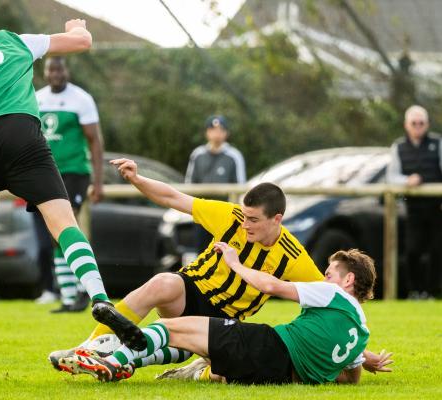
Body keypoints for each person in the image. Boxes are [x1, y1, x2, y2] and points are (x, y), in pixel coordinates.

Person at [0, 12, 145, 381]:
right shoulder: (13, 39)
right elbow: (81, 43)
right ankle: (100, 299)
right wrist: (78, 27)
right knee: (64, 225)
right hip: (22, 134)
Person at [48, 158, 324, 369]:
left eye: (253, 220)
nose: (245, 224)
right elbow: (174, 198)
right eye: (244, 216)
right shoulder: (230, 216)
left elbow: (329, 297)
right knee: (162, 282)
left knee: (182, 349)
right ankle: (89, 348)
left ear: (277, 219)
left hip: (224, 319)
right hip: (190, 289)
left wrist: (357, 354)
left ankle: (123, 360)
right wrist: (137, 179)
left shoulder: (292, 255)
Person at [57, 247, 394, 385]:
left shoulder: (334, 294)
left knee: (169, 327)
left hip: (267, 344)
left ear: (348, 281)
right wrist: (365, 360)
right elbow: (349, 380)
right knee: (193, 348)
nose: (324, 278)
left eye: (330, 273)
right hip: (272, 376)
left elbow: (274, 287)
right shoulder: (359, 333)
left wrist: (235, 263)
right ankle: (129, 355)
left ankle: (116, 359)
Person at [32, 56, 105, 312]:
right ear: (45, 72)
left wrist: (98, 181)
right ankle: (68, 296)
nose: (55, 74)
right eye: (51, 69)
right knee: (55, 234)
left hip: (74, 172)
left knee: (67, 226)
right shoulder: (36, 98)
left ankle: (85, 290)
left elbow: (95, 140)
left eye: (59, 69)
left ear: (67, 71)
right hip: (46, 172)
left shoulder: (81, 99)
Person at [387, 105, 442, 299]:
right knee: (412, 251)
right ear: (406, 125)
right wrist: (407, 181)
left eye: (421, 123)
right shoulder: (398, 147)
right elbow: (391, 177)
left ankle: (433, 292)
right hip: (414, 208)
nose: (418, 126)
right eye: (414, 123)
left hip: (437, 207)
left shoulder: (438, 143)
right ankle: (416, 291)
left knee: (437, 250)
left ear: (427, 124)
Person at [185, 115, 246, 252]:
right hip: (202, 214)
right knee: (201, 253)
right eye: (213, 130)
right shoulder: (197, 155)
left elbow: (241, 187)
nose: (216, 134)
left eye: (221, 130)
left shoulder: (234, 156)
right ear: (207, 132)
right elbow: (189, 184)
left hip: (225, 216)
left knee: (225, 254)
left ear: (226, 133)